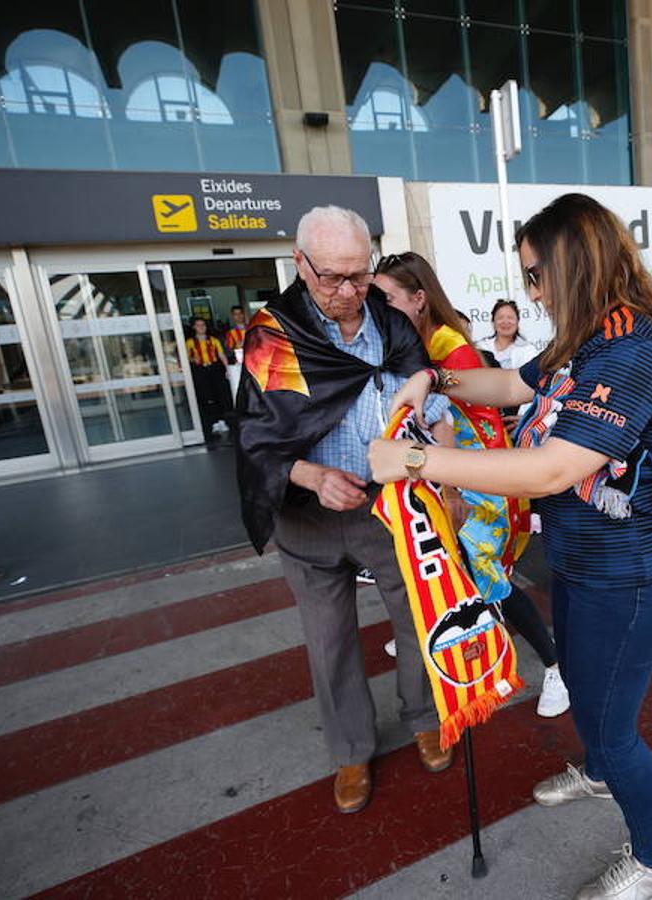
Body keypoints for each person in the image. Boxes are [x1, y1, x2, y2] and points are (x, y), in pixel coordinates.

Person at [370, 193, 652, 900]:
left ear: (574, 267)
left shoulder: (634, 349)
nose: (530, 292)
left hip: (632, 576)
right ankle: (602, 774)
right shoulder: (587, 335)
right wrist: (433, 377)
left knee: (612, 728)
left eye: (537, 276)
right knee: (582, 688)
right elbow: (511, 384)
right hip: (582, 564)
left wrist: (417, 462)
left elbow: (551, 468)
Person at [233, 206, 455, 817]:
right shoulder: (274, 335)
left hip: (388, 508)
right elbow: (256, 437)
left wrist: (445, 448)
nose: (348, 292)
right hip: (309, 514)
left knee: (418, 619)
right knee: (328, 640)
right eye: (331, 277)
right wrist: (309, 475)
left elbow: (425, 387)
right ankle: (352, 749)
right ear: (301, 264)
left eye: (359, 275)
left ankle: (424, 716)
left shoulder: (390, 322)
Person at [372, 250, 570, 719]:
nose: (376, 307)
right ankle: (442, 634)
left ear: (419, 298)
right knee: (457, 571)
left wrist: (453, 487)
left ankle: (556, 665)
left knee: (490, 578)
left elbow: (481, 417)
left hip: (475, 482)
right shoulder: (410, 342)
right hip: (445, 475)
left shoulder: (447, 347)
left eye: (386, 297)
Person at [185, 316, 232, 444]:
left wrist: (228, 369)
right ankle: (213, 422)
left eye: (203, 325)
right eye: (198, 325)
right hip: (200, 370)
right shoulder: (190, 342)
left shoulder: (213, 340)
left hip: (214, 368)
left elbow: (221, 355)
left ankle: (222, 421)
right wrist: (192, 360)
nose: (201, 328)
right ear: (194, 327)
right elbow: (186, 358)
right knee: (207, 397)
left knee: (219, 394)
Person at [478, 298, 540, 370]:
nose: (505, 321)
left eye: (510, 318)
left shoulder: (528, 349)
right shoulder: (482, 348)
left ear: (517, 321)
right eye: (500, 318)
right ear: (493, 322)